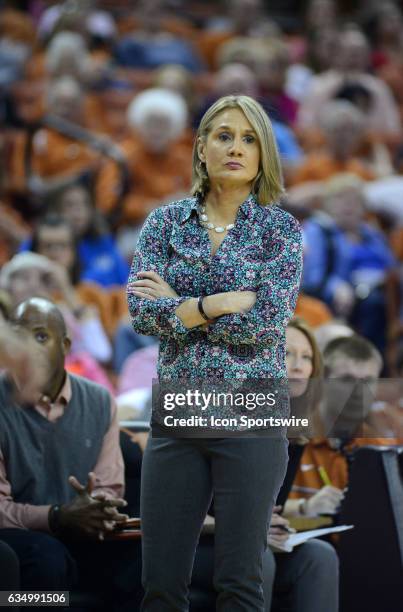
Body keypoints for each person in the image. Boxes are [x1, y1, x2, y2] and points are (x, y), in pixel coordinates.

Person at [127, 94, 303, 610]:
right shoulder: (164, 223)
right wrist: (219, 302)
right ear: (201, 147)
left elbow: (265, 324)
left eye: (249, 139)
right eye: (224, 135)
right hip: (179, 411)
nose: (235, 147)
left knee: (241, 583)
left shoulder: (280, 230)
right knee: (159, 584)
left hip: (252, 412)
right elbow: (142, 316)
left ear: (263, 153)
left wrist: (181, 309)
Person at [0, 297, 142, 609]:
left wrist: (98, 508)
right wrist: (56, 516)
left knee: (142, 556)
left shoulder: (99, 399)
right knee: (44, 557)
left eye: (40, 336)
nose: (29, 348)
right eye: (19, 338)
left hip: (81, 530)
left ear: (65, 345)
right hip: (19, 535)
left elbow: (109, 485)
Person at [287, 333, 398, 517]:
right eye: (347, 379)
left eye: (368, 380)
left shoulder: (379, 447)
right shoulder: (288, 435)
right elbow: (249, 509)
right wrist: (303, 507)